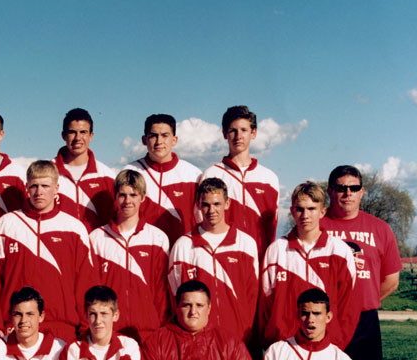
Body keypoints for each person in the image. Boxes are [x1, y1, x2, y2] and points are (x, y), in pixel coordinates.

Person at [0, 160, 96, 342]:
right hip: (17, 327)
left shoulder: (74, 228)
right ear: (26, 187)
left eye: (45, 185)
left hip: (61, 328)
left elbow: (86, 284)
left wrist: (85, 329)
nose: (39, 192)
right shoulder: (6, 224)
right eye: (34, 186)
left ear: (57, 188)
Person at [320, 165, 404, 360]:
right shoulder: (316, 226)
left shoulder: (380, 228)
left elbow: (391, 280)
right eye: (341, 188)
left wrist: (362, 302)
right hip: (325, 319)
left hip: (364, 320)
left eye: (353, 188)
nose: (348, 193)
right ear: (329, 191)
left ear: (362, 191)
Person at [259, 181, 357, 349]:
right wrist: (272, 341)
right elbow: (265, 305)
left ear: (322, 212)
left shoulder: (339, 251)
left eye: (311, 209)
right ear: (292, 211)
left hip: (326, 347)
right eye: (300, 209)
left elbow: (348, 307)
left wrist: (336, 344)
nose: (305, 215)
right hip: (284, 347)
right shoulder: (276, 250)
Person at [168, 177, 259, 346]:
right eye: (206, 205)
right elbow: (175, 294)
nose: (211, 210)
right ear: (198, 205)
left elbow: (252, 295)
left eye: (217, 204)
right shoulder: (183, 245)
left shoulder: (245, 244)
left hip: (238, 339)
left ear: (227, 203)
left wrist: (246, 329)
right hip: (196, 340)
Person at [88, 169, 170, 342]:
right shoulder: (96, 238)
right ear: (115, 197)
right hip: (109, 332)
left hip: (148, 331)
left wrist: (160, 326)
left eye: (133, 195)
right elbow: (92, 288)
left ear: (142, 198)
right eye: (122, 195)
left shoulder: (157, 238)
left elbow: (161, 291)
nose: (127, 201)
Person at [198, 105, 279, 254]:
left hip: (259, 259)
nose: (238, 136)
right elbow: (201, 221)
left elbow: (272, 226)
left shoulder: (269, 178)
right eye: (233, 131)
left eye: (244, 130)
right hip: (223, 258)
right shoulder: (211, 174)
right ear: (224, 134)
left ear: (253, 133)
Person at [125, 113, 201, 245]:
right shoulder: (129, 172)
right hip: (140, 249)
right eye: (153, 136)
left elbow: (201, 219)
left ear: (174, 140)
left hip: (181, 251)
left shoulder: (193, 175)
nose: (159, 141)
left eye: (165, 135)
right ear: (144, 140)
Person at [53, 108, 115, 230]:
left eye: (83, 132)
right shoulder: (48, 172)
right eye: (72, 132)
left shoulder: (106, 176)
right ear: (63, 135)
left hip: (96, 247)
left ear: (91, 135)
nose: (78, 138)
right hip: (59, 246)